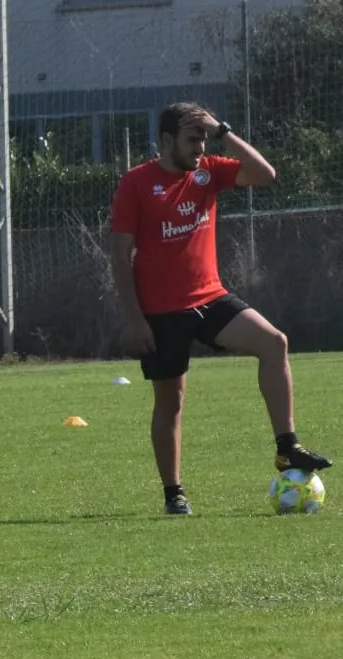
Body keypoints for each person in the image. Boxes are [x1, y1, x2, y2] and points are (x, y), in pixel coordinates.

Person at [110, 102, 330, 516]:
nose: (199, 148)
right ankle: (174, 493)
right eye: (192, 139)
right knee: (171, 402)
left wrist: (223, 131)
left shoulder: (208, 170)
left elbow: (266, 174)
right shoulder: (136, 183)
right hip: (159, 311)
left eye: (203, 140)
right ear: (166, 140)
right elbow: (120, 256)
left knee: (273, 343)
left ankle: (287, 448)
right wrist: (133, 317)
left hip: (209, 297)